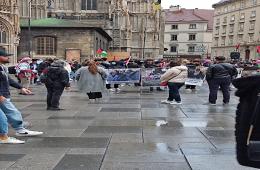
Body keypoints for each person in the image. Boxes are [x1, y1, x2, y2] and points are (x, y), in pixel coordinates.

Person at [0, 50, 43, 144]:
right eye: (5, 56)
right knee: (3, 116)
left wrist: (21, 87)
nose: (8, 57)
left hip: (4, 95)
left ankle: (19, 129)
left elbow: (9, 80)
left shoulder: (2, 67)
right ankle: (3, 137)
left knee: (11, 112)